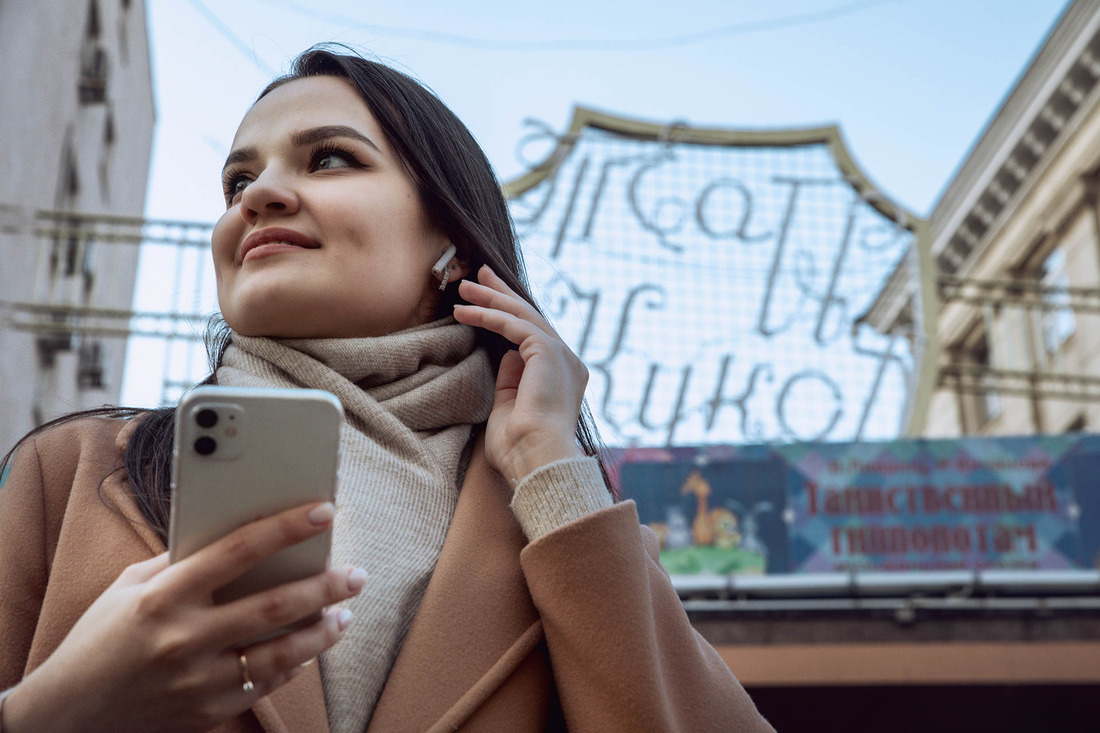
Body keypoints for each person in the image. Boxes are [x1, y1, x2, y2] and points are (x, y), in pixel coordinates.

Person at [0, 46, 773, 732]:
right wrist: (53, 709)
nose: (257, 196)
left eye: (329, 158)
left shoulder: (551, 525)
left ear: (449, 238)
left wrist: (554, 470)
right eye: (238, 177)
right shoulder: (68, 474)